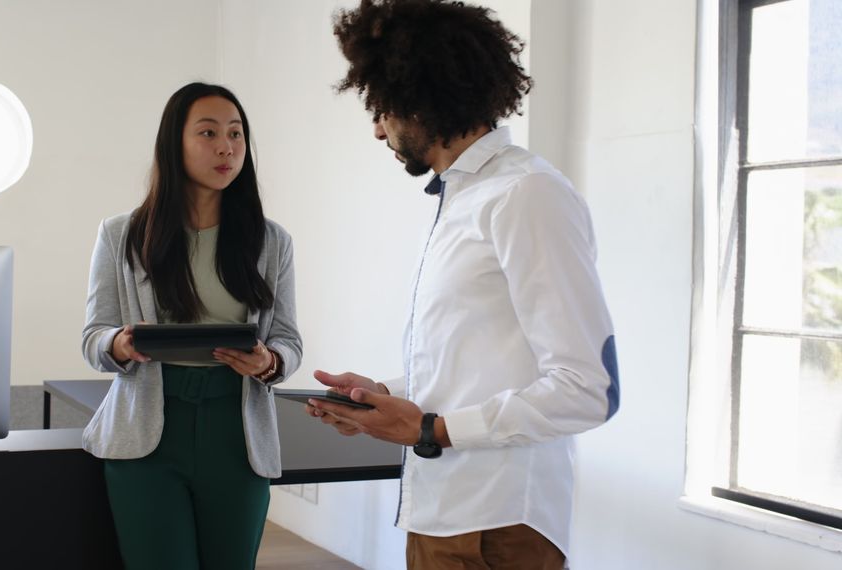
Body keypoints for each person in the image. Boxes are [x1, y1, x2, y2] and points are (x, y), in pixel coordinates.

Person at [304, 1, 620, 569]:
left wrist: (432, 428)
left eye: (381, 108)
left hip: (498, 525)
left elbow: (589, 389)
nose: (377, 129)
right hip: (440, 511)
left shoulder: (527, 194)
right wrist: (382, 393)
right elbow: (476, 360)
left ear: (422, 97)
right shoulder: (465, 197)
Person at [80, 81, 302, 570]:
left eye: (236, 134)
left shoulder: (271, 242)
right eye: (208, 133)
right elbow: (93, 336)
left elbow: (288, 340)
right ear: (173, 144)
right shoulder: (121, 234)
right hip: (148, 434)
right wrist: (119, 344)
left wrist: (269, 361)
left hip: (236, 432)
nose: (226, 147)